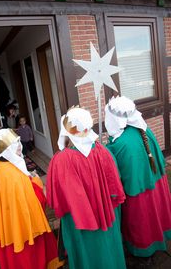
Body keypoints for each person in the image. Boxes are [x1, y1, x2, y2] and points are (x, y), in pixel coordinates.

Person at [46, 106, 127, 269]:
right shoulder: (103, 151)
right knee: (107, 247)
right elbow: (115, 184)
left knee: (87, 254)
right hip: (106, 214)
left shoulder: (61, 160)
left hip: (79, 221)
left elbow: (56, 195)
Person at [0, 128, 63, 269]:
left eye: (19, 142)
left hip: (10, 226)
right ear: (6, 150)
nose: (20, 146)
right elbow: (31, 201)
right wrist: (37, 182)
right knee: (30, 258)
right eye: (16, 144)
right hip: (26, 229)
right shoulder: (10, 174)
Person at [104, 96, 171, 258]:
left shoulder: (119, 144)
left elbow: (115, 174)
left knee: (142, 222)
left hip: (138, 193)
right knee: (157, 214)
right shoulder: (144, 130)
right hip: (155, 184)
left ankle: (143, 249)